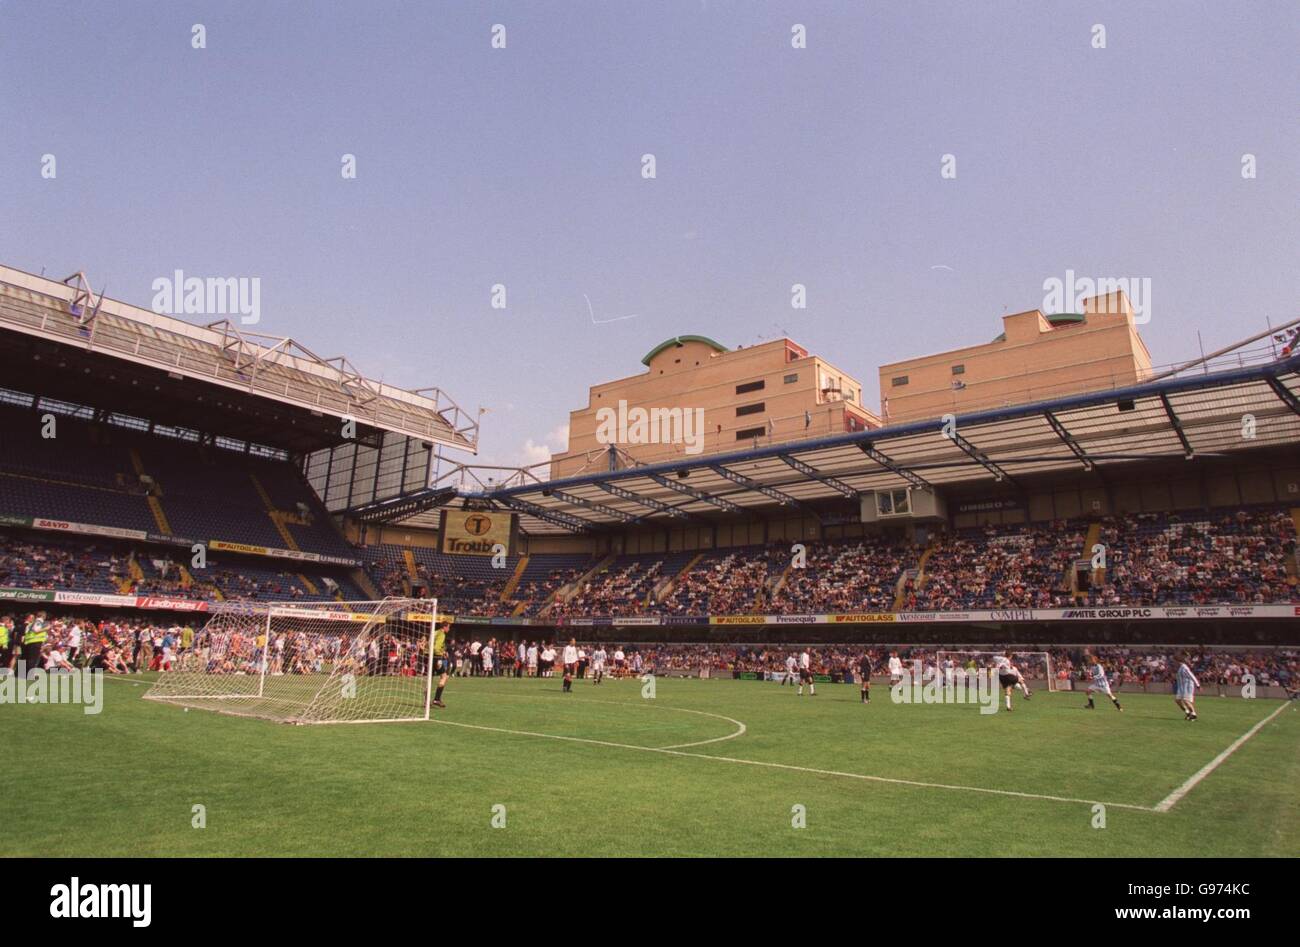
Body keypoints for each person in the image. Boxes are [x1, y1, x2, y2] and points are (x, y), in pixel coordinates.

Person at [430, 622, 453, 708]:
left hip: (429, 657)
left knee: (429, 679)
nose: (449, 629)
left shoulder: (435, 632)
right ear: (444, 627)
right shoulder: (441, 634)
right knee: (444, 677)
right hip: (436, 657)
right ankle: (436, 699)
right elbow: (436, 648)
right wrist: (442, 653)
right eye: (448, 627)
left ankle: (426, 701)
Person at [1174, 652, 1200, 721]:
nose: (1174, 663)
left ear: (1177, 661)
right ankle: (1187, 712)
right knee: (1177, 700)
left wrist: (1198, 685)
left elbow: (1192, 676)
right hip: (1181, 687)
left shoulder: (1184, 668)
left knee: (1186, 700)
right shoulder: (1180, 668)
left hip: (1187, 687)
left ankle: (1194, 715)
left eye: (1174, 661)